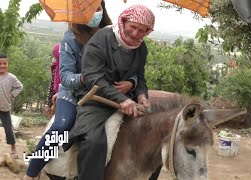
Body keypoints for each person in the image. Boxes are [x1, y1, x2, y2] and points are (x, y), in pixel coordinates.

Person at [23, 1, 120, 179]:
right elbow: (66, 76)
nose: (93, 14)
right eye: (87, 10)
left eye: (97, 8)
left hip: (104, 94)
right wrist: (85, 78)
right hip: (73, 93)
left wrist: (130, 82)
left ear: (102, 9)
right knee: (62, 126)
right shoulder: (70, 38)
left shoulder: (113, 34)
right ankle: (32, 172)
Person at [67, 4, 156, 180]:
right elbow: (93, 76)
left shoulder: (141, 48)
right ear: (123, 21)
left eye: (142, 30)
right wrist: (122, 99)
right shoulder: (102, 39)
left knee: (154, 137)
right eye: (133, 27)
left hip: (128, 102)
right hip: (95, 101)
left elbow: (140, 76)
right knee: (93, 142)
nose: (136, 34)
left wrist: (141, 95)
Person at [0, 54, 23, 158]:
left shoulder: (11, 77)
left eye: (5, 63)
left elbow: (19, 86)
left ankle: (13, 149)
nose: (2, 66)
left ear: (7, 64)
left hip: (5, 107)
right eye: (0, 64)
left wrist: (12, 94)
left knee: (9, 129)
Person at [44, 43, 60, 119]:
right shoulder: (56, 67)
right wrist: (49, 104)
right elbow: (52, 87)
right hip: (56, 101)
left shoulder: (69, 67)